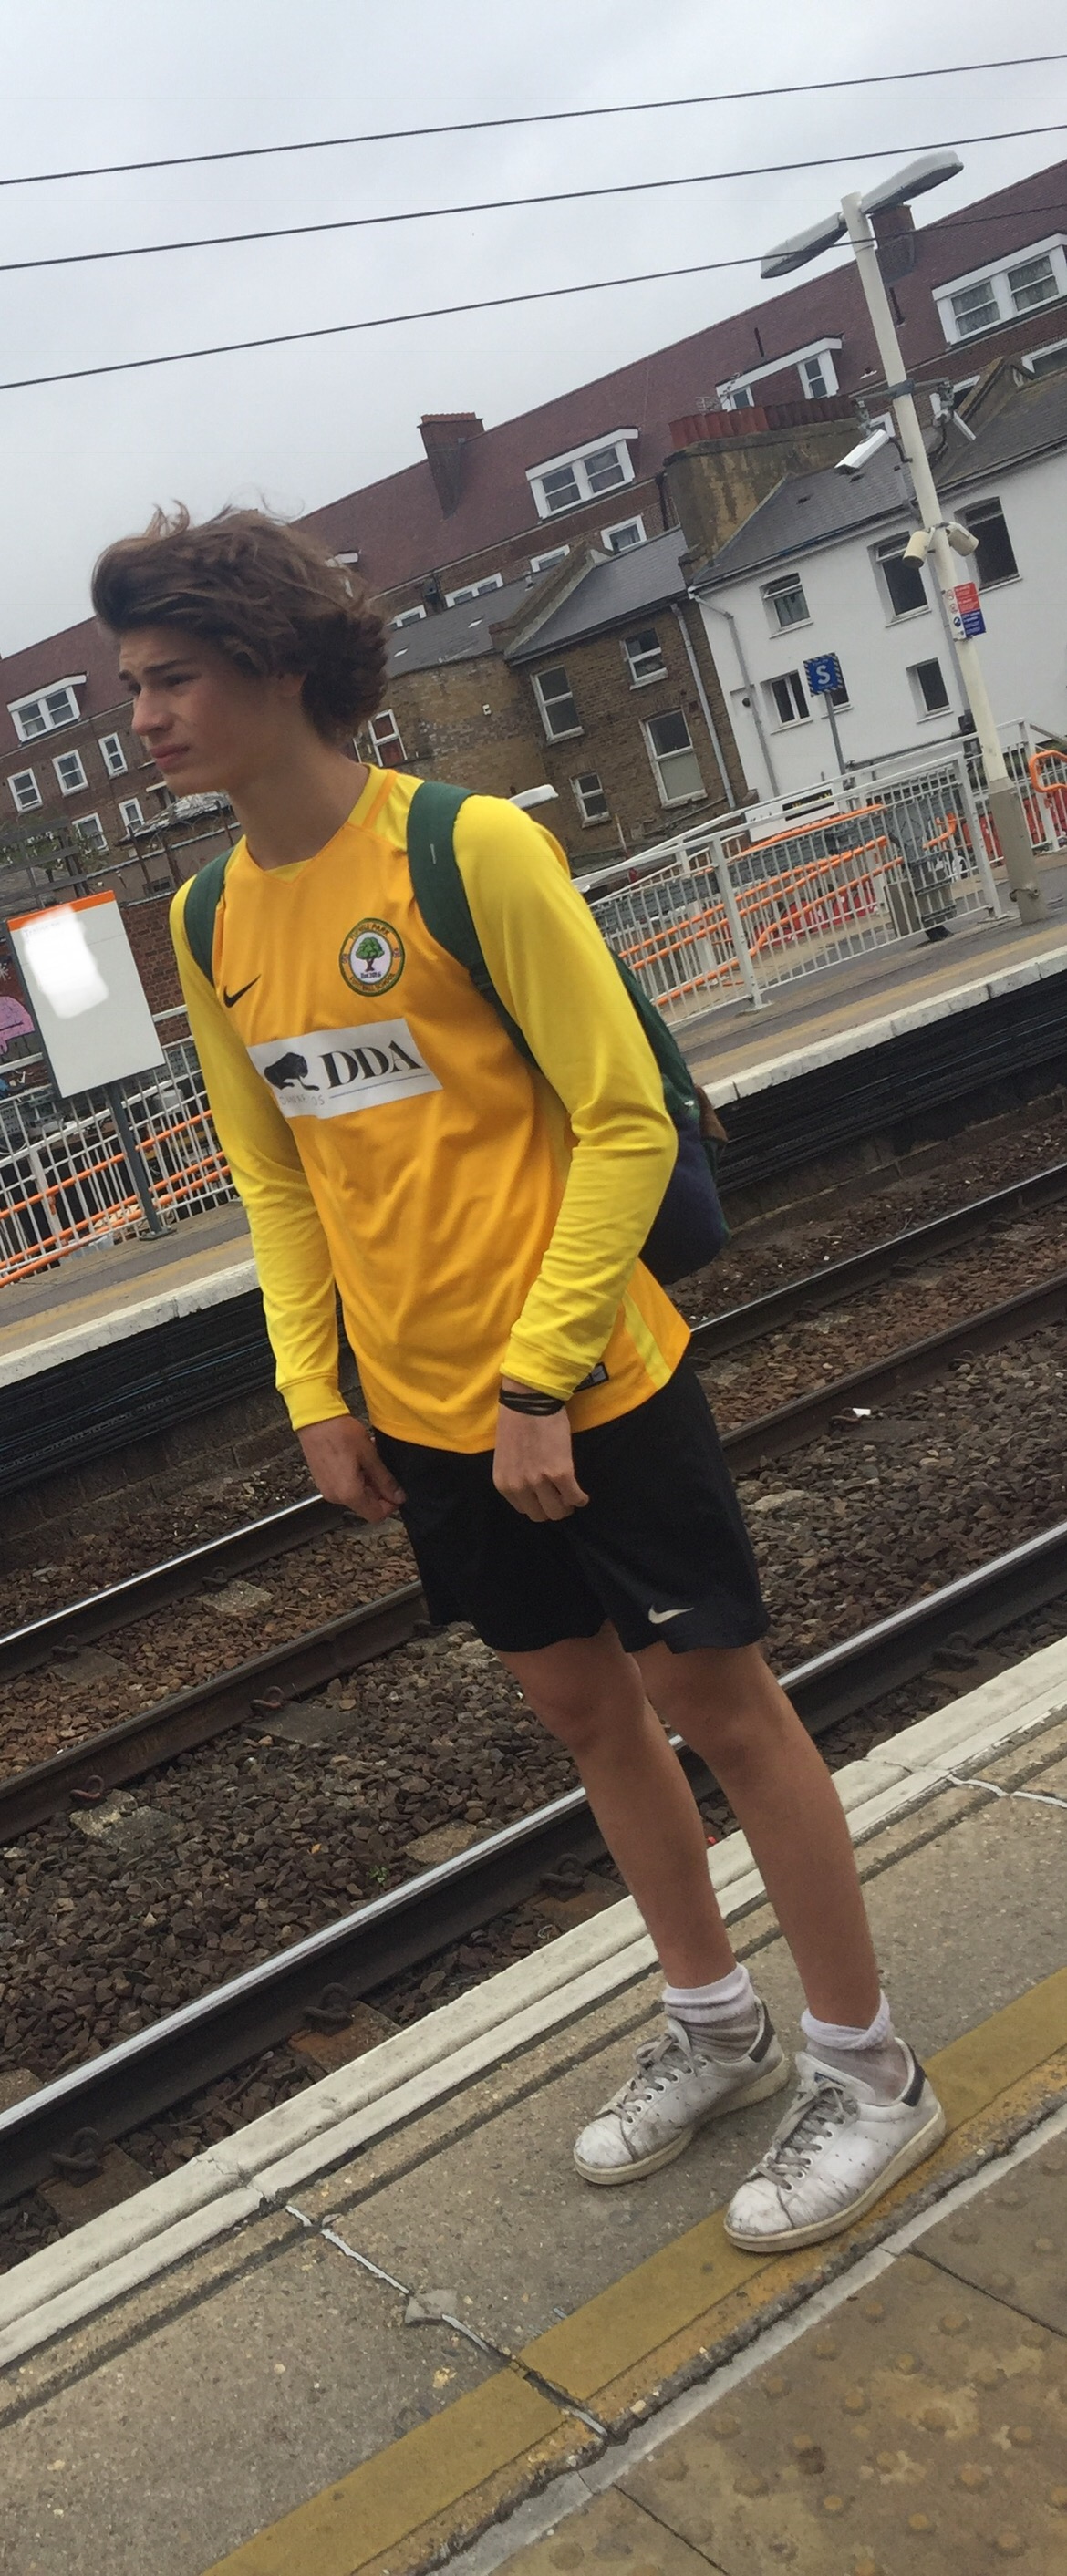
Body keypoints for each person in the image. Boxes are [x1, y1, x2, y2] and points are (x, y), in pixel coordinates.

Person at [91, 508, 945, 2251]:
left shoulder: (466, 850)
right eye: (131, 689)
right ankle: (714, 2023)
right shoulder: (207, 913)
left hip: (586, 1384)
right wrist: (315, 1389)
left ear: (276, 666)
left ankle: (871, 2070)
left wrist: (541, 1378)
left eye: (172, 680)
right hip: (420, 1407)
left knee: (720, 1707)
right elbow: (277, 1174)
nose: (146, 720)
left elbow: (624, 1118)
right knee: (582, 1713)